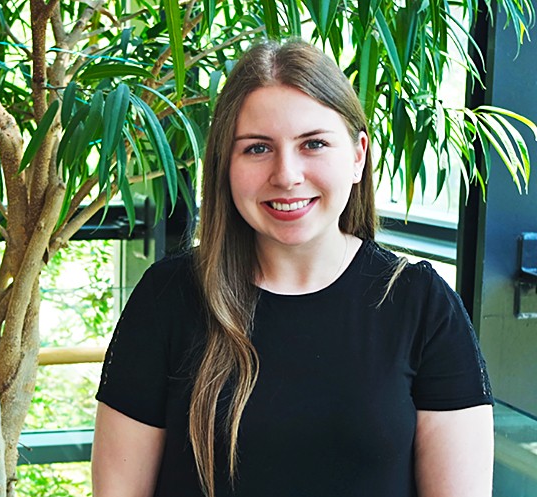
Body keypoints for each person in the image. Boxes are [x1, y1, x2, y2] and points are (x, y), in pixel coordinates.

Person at [91, 39, 494, 497]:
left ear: (358, 156)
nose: (286, 175)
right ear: (225, 164)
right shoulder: (169, 296)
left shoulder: (422, 304)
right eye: (257, 149)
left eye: (314, 143)